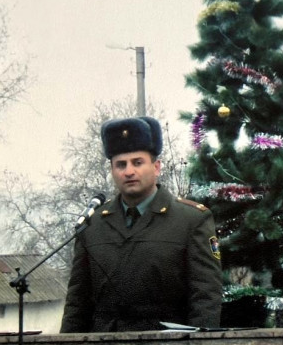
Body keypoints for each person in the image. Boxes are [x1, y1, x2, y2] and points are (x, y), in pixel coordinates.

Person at [60, 116, 222, 332]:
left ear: (156, 167)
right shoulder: (93, 224)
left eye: (137, 163)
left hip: (169, 344)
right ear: (112, 170)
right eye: (121, 164)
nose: (129, 171)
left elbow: (205, 295)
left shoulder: (191, 220)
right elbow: (77, 302)